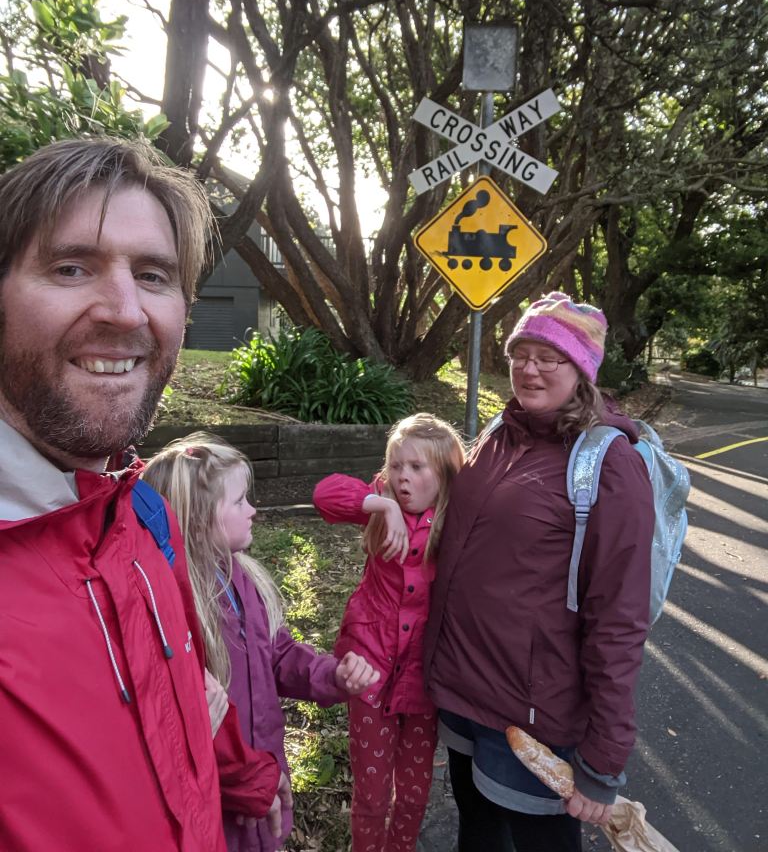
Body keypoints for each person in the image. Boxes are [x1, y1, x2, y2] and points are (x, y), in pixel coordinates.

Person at [0, 139, 284, 852]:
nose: (126, 311)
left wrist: (246, 779)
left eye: (154, 275)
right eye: (71, 267)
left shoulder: (141, 513)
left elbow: (178, 697)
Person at [422, 292, 655, 852]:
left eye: (550, 357)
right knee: (477, 834)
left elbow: (619, 618)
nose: (529, 368)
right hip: (464, 689)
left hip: (534, 716)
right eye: (520, 352)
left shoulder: (609, 464)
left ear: (582, 370)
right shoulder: (499, 437)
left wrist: (603, 758)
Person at [142, 431, 381, 852]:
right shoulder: (175, 610)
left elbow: (278, 654)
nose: (253, 509)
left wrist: (333, 675)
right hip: (219, 805)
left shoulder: (242, 578)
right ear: (197, 518)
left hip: (266, 784)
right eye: (239, 501)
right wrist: (246, 783)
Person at [313, 413, 466, 852]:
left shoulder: (456, 520)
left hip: (423, 672)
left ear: (445, 474)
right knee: (373, 792)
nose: (403, 477)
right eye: (397, 465)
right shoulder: (382, 502)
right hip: (370, 664)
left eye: (418, 468)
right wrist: (382, 506)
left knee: (415, 791)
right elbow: (325, 494)